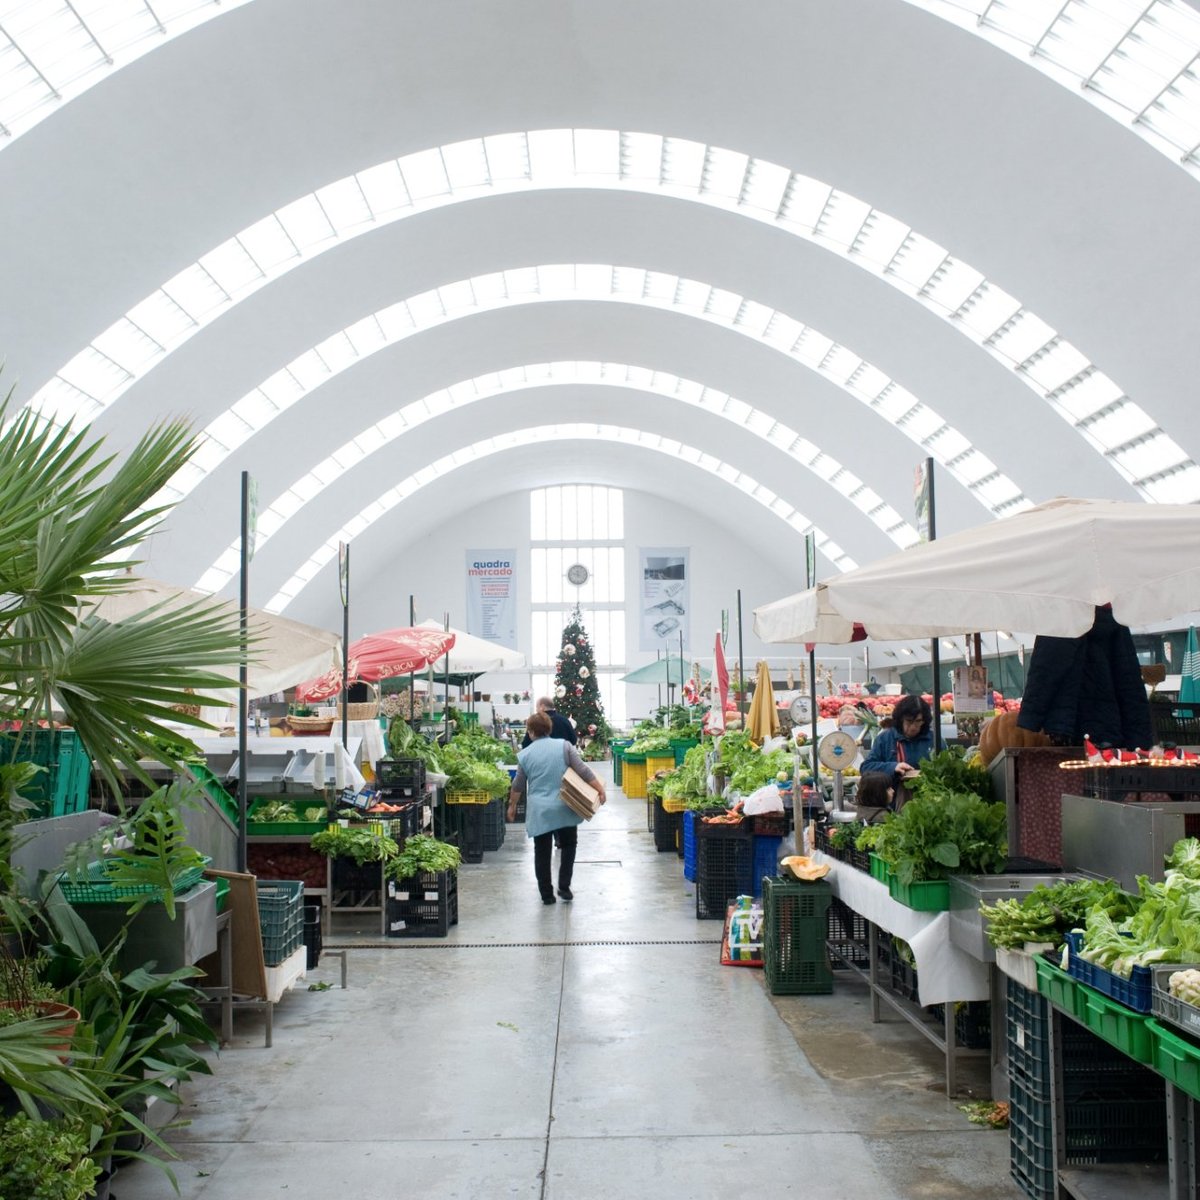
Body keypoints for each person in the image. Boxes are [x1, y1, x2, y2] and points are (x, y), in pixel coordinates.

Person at [508, 711, 606, 904]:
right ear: (549, 729)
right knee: (569, 845)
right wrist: (600, 789)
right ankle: (564, 886)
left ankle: (546, 894)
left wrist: (512, 806)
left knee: (542, 851)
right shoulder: (564, 746)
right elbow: (583, 771)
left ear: (530, 732)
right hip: (565, 805)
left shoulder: (525, 755)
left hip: (540, 811)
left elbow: (518, 784)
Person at [860, 693, 934, 794]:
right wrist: (893, 767)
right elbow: (866, 768)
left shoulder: (933, 740)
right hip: (892, 802)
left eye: (918, 721)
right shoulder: (885, 738)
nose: (913, 727)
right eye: (909, 721)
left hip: (927, 799)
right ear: (900, 719)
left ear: (924, 721)